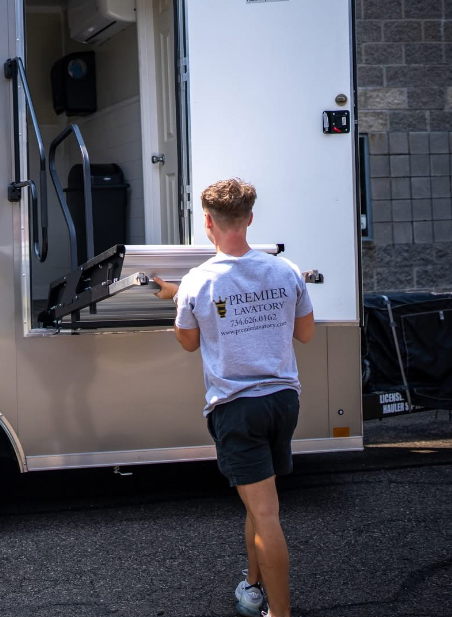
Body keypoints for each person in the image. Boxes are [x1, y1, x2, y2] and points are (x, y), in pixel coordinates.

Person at [153, 178, 313, 617]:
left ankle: (279, 613)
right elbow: (305, 332)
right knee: (256, 503)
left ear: (208, 222)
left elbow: (189, 342)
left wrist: (179, 299)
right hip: (283, 401)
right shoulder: (286, 271)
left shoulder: (197, 282)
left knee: (267, 514)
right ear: (250, 219)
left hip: (238, 408)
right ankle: (253, 586)